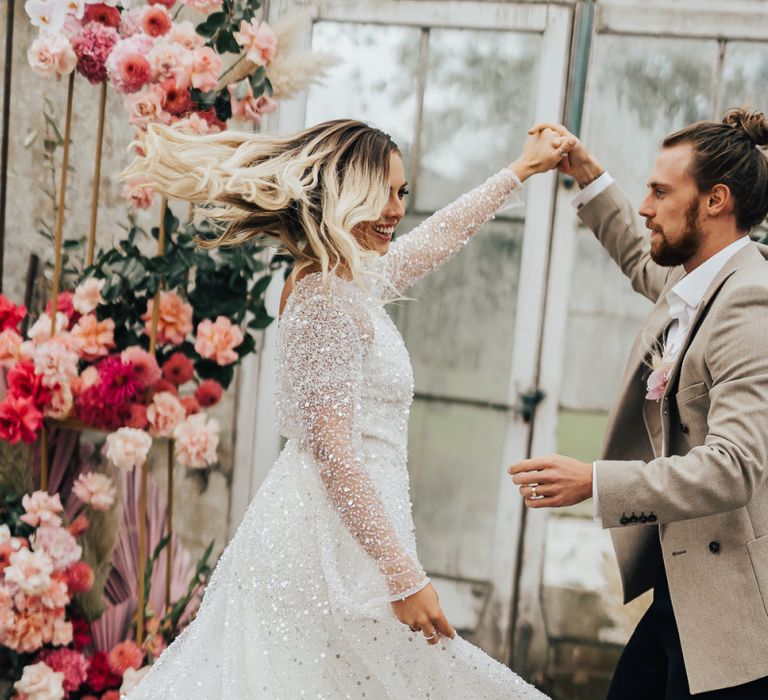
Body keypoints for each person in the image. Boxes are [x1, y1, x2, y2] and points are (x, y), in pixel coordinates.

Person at [121, 118, 571, 698]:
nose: (395, 209)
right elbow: (335, 454)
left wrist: (519, 171)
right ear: (340, 193)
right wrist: (403, 576)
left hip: (352, 531)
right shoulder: (324, 299)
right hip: (321, 547)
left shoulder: (347, 280)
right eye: (382, 191)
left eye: (402, 192)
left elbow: (435, 240)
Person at [509, 108, 768, 698]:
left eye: (659, 191)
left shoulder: (751, 304)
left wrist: (596, 483)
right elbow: (637, 251)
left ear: (715, 200)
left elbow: (735, 468)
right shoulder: (698, 283)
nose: (646, 206)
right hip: (682, 589)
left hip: (737, 612)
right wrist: (588, 174)